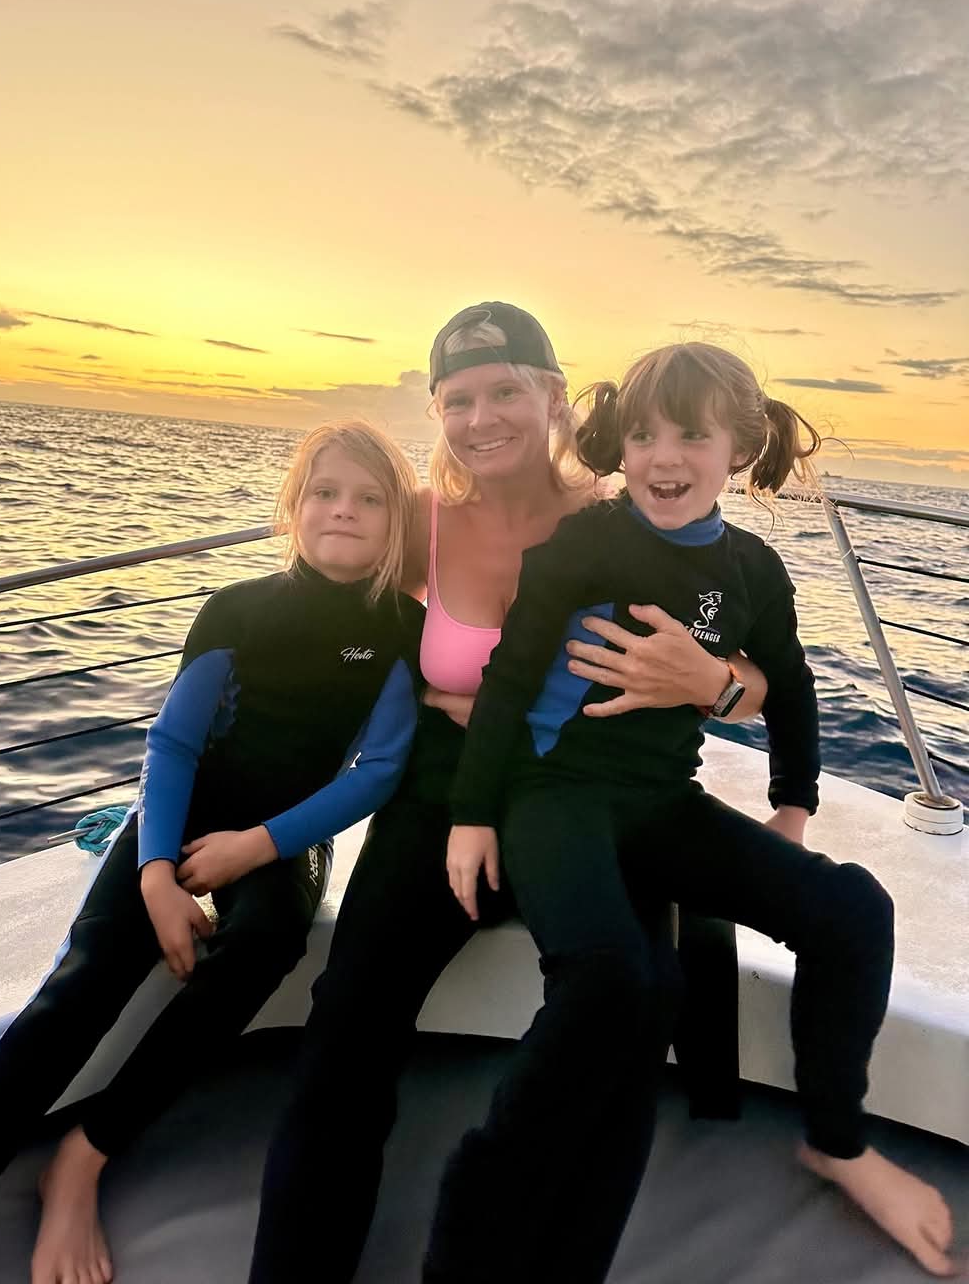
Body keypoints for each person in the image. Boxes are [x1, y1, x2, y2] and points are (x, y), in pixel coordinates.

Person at [248, 305, 768, 1284]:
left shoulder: (630, 525)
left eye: (504, 392)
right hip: (443, 795)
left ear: (555, 397)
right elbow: (317, 613)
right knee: (345, 1028)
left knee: (623, 1028)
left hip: (586, 795)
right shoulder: (420, 524)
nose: (480, 419)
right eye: (457, 401)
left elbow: (739, 669)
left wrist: (707, 683)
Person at [436, 341, 957, 1280]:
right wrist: (474, 814)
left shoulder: (753, 571)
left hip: (661, 801)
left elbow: (790, 691)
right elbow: (511, 677)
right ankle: (474, 1230)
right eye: (642, 435)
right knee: (613, 981)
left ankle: (835, 1142)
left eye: (691, 434)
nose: (663, 457)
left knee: (853, 909)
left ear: (739, 449)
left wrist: (791, 810)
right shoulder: (588, 542)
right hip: (554, 794)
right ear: (619, 447)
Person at [0, 422, 425, 1284]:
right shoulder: (238, 609)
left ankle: (87, 1154)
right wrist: (155, 872)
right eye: (326, 492)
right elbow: (172, 748)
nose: (344, 512)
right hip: (176, 820)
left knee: (262, 945)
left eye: (370, 499)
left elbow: (380, 770)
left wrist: (260, 846)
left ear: (398, 519)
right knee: (80, 984)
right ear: (295, 504)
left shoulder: (402, 625)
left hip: (282, 836)